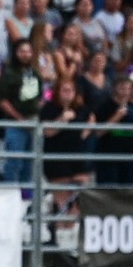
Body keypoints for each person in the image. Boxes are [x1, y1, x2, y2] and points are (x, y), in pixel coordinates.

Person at [40, 78, 96, 222]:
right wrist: (62, 120)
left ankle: (71, 226)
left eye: (70, 91)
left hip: (78, 157)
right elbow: (47, 132)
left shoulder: (82, 109)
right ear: (58, 92)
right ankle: (58, 227)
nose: (68, 94)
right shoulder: (49, 109)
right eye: (64, 90)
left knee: (78, 195)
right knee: (62, 196)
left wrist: (83, 133)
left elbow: (91, 122)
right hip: (56, 158)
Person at [0, 38, 42, 184]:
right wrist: (18, 117)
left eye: (28, 51)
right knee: (14, 161)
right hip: (15, 124)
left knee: (29, 163)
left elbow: (42, 93)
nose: (26, 54)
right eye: (22, 51)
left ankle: (26, 197)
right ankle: (8, 194)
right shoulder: (8, 73)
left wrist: (43, 101)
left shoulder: (32, 72)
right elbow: (2, 101)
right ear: (16, 53)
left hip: (33, 122)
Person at [92, 76, 133, 186]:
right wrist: (116, 117)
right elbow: (97, 133)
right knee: (109, 191)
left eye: (128, 89)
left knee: (127, 192)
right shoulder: (103, 107)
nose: (125, 92)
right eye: (122, 88)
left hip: (129, 159)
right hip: (108, 159)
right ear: (114, 89)